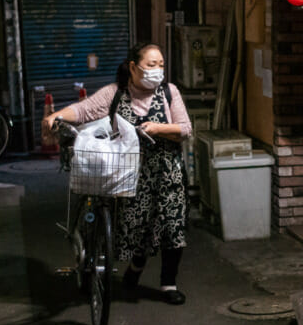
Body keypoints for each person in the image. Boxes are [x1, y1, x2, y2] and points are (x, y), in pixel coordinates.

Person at [43, 42, 192, 305]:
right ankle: (135, 267)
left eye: (161, 65)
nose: (157, 71)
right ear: (134, 67)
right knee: (138, 228)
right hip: (128, 174)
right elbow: (83, 110)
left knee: (173, 227)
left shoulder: (170, 92)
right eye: (151, 65)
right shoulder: (115, 94)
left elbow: (185, 129)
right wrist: (56, 115)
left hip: (168, 173)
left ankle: (169, 283)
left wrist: (157, 129)